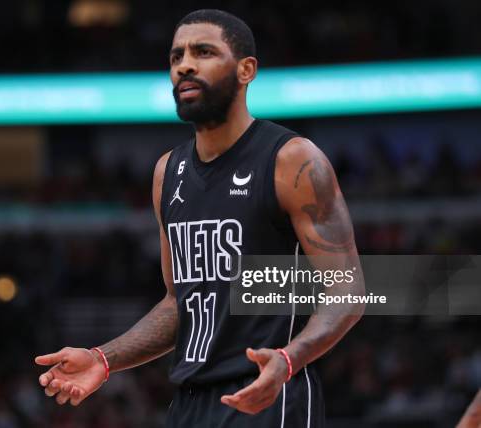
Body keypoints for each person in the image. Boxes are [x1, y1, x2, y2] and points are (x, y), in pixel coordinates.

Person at [35, 9, 364, 427]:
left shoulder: (292, 160)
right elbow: (178, 303)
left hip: (267, 394)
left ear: (246, 70)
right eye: (176, 57)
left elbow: (348, 292)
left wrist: (288, 358)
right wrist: (104, 358)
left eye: (203, 52)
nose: (184, 65)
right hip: (190, 403)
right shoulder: (166, 173)